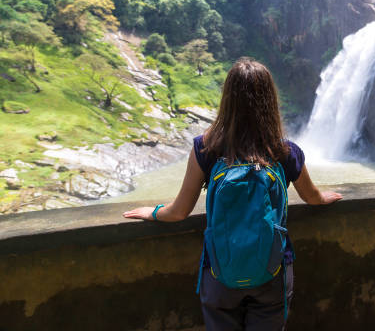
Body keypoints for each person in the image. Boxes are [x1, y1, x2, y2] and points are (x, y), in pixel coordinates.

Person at [123, 57, 342, 330]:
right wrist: (326, 197)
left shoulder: (206, 148)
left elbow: (179, 212)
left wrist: (152, 212)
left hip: (219, 272)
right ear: (270, 100)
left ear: (227, 99)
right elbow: (312, 197)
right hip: (272, 272)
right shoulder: (285, 152)